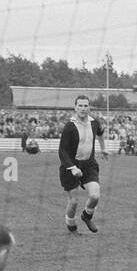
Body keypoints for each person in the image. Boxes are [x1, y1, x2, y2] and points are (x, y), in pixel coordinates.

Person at [58, 95, 106, 234]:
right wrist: (72, 168)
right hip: (71, 167)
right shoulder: (70, 127)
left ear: (89, 107)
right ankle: (71, 226)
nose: (83, 108)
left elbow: (100, 133)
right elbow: (62, 151)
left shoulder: (94, 122)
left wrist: (103, 149)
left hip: (89, 165)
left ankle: (86, 215)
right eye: (80, 105)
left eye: (86, 106)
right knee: (73, 202)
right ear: (75, 107)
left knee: (95, 196)